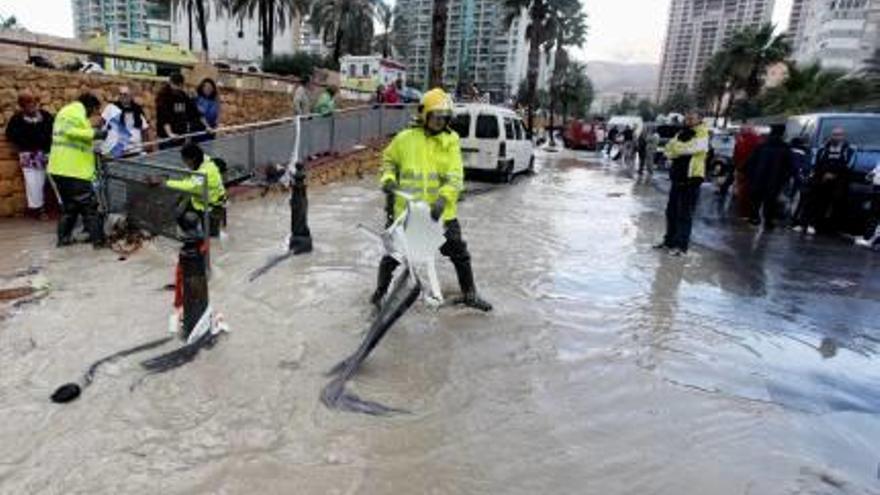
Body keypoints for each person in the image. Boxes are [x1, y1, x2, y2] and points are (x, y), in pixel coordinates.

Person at [371, 88, 492, 312]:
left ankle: (470, 294)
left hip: (441, 214)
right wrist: (388, 179)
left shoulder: (451, 141)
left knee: (459, 253)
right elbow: (388, 160)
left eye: (444, 118)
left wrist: (443, 199)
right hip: (408, 213)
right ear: (424, 115)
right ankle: (378, 296)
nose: (440, 122)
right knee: (393, 256)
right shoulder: (405, 139)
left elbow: (455, 177)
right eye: (436, 117)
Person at [47, 93, 108, 248]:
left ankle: (64, 239)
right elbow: (70, 131)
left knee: (70, 207)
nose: (95, 116)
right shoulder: (74, 111)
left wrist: (93, 132)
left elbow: (76, 139)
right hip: (72, 170)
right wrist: (95, 133)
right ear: (92, 107)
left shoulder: (70, 112)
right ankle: (99, 241)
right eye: (96, 112)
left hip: (61, 168)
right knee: (90, 207)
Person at [654, 111, 709, 256]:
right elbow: (668, 150)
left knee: (684, 214)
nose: (688, 120)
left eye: (692, 118)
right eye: (687, 118)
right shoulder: (680, 133)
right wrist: (680, 149)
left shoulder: (703, 133)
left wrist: (678, 149)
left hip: (691, 179)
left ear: (699, 120)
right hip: (677, 177)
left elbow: (695, 148)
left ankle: (681, 246)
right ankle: (669, 241)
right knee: (671, 212)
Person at [5, 90, 54, 219]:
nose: (32, 105)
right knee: (33, 183)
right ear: (22, 105)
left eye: (34, 102)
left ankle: (57, 207)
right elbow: (11, 135)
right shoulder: (17, 119)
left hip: (46, 153)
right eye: (28, 103)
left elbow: (53, 130)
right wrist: (26, 141)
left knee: (51, 180)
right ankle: (38, 209)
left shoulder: (46, 115)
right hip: (29, 155)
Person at [796, 127, 854, 235]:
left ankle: (823, 227)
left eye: (839, 135)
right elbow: (816, 164)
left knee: (833, 205)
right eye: (834, 134)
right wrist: (823, 174)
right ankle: (805, 224)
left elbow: (849, 165)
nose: (836, 137)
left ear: (844, 136)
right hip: (821, 180)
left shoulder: (849, 150)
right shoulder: (823, 149)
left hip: (839, 183)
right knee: (812, 202)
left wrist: (834, 174)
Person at [161, 142, 226, 237]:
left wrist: (166, 182)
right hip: (199, 200)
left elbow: (192, 186)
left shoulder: (206, 170)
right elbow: (189, 179)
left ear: (193, 158)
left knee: (211, 235)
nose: (184, 162)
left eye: (185, 159)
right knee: (179, 213)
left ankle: (201, 233)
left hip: (212, 204)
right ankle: (192, 234)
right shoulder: (201, 160)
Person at [745, 124, 793, 229]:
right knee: (771, 201)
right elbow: (790, 167)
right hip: (775, 181)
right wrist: (784, 179)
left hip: (758, 179)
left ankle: (754, 218)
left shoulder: (761, 146)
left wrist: (750, 176)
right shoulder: (785, 148)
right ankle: (768, 221)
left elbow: (750, 163)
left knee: (755, 200)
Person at [100, 86, 150, 157]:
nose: (123, 96)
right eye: (121, 94)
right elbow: (102, 123)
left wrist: (145, 145)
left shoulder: (137, 109)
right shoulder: (111, 108)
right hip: (117, 150)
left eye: (125, 94)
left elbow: (144, 129)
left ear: (130, 96)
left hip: (134, 149)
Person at [156, 73, 199, 149]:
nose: (177, 88)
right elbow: (164, 117)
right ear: (170, 83)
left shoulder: (182, 95)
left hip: (181, 134)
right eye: (175, 85)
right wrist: (170, 133)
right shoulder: (163, 96)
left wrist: (207, 126)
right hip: (167, 137)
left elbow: (194, 111)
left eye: (180, 85)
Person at [733, 125, 763, 218]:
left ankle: (743, 212)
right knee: (749, 191)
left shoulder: (741, 140)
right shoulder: (758, 140)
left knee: (742, 190)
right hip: (753, 170)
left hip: (742, 168)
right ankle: (748, 212)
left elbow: (736, 154)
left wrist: (737, 166)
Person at [855, 162, 880, 248]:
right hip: (876, 188)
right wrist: (871, 175)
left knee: (876, 215)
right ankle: (869, 237)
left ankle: (871, 239)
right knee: (874, 214)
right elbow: (876, 170)